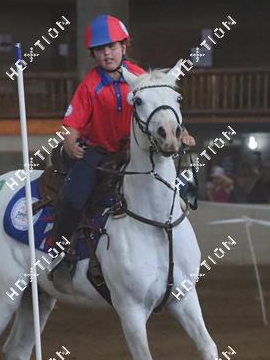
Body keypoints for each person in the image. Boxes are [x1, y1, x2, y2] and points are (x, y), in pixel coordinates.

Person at [48, 14, 194, 290]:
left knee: (180, 188)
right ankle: (62, 253)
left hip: (134, 152)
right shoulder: (89, 85)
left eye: (112, 46)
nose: (107, 53)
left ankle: (178, 246)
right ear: (93, 54)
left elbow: (163, 109)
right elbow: (73, 123)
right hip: (98, 153)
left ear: (124, 46)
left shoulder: (141, 77)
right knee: (74, 199)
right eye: (100, 49)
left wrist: (181, 131)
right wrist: (69, 140)